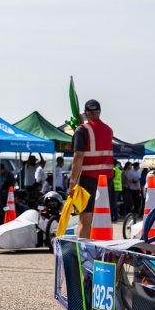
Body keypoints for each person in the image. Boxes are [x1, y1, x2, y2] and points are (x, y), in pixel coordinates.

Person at [67, 99, 114, 238]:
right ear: (99, 112)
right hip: (106, 179)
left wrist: (72, 182)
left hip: (89, 178)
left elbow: (78, 156)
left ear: (86, 113)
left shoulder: (82, 130)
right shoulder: (108, 130)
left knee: (85, 217)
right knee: (101, 216)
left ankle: (83, 248)